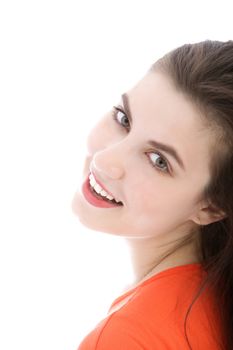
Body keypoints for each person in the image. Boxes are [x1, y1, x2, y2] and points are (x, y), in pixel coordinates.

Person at [71, 40, 233, 349]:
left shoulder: (126, 337)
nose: (106, 161)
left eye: (159, 161)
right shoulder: (212, 304)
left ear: (211, 206)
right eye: (124, 119)